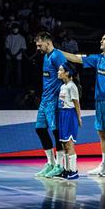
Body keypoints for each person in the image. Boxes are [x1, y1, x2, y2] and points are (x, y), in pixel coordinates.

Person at [62, 32, 105, 176]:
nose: (101, 41)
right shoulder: (98, 58)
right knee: (102, 132)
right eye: (102, 38)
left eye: (104, 39)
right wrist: (58, 51)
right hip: (99, 101)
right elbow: (77, 58)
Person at [34, 32, 68, 178]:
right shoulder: (45, 57)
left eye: (39, 45)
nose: (38, 48)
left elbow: (67, 73)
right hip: (44, 100)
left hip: (54, 100)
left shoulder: (57, 55)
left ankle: (60, 166)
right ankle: (51, 163)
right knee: (40, 129)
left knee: (56, 132)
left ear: (47, 42)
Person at [52, 64, 82, 180]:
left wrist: (79, 118)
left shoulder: (71, 86)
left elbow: (76, 103)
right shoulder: (63, 86)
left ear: (67, 73)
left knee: (69, 144)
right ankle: (66, 170)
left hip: (70, 115)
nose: (58, 72)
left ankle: (73, 171)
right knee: (64, 144)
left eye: (60, 70)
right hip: (63, 115)